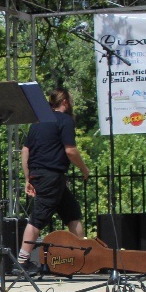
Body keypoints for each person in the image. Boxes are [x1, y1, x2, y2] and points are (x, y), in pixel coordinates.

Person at [16, 88, 90, 274]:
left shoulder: (38, 122)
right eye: (70, 100)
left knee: (72, 212)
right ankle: (22, 261)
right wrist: (84, 169)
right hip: (51, 175)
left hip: (41, 174)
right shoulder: (65, 120)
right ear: (64, 102)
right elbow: (70, 150)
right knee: (38, 218)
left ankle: (84, 257)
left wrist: (28, 177)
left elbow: (25, 151)